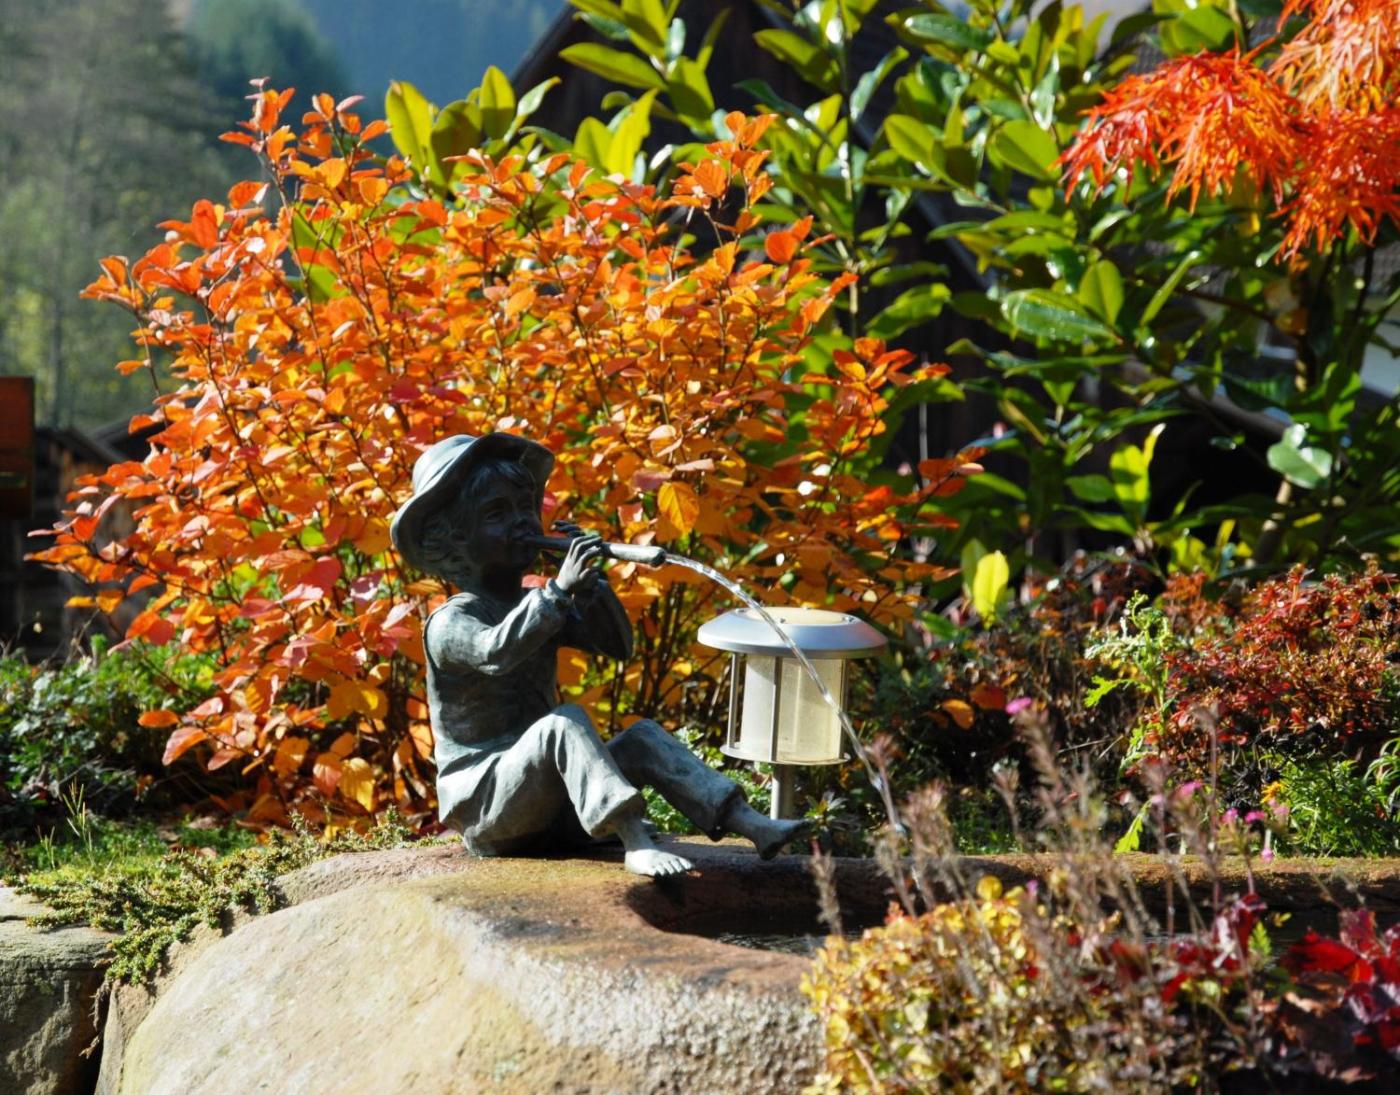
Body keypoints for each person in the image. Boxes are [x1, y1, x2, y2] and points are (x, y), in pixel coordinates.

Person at [390, 432, 808, 877]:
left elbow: (616, 646)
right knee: (561, 724)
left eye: (525, 508)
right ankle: (635, 840)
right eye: (497, 513)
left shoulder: (535, 603)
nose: (521, 523)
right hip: (488, 802)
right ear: (452, 541)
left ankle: (750, 823)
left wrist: (591, 590)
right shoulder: (450, 622)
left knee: (642, 736)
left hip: (551, 804)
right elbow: (496, 652)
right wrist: (558, 592)